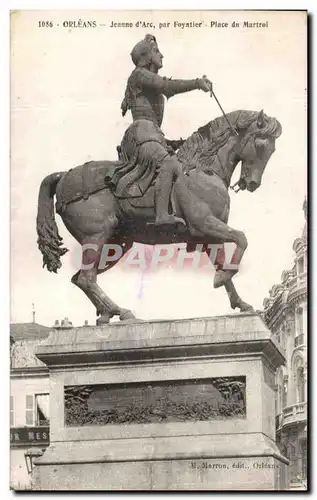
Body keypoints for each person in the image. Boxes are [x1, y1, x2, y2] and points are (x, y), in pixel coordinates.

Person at [114, 34, 212, 227]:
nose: (162, 56)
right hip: (142, 134)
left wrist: (177, 143)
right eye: (157, 52)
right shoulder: (139, 74)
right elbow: (167, 86)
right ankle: (161, 216)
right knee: (170, 165)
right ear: (146, 56)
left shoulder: (145, 77)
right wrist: (197, 83)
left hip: (151, 135)